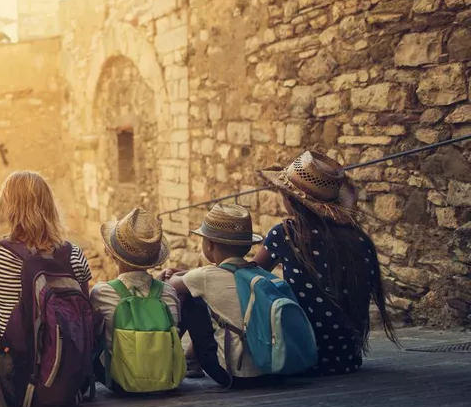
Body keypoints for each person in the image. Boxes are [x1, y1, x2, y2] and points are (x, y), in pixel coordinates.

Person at [252, 150, 398, 375]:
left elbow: (251, 274)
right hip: (346, 358)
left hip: (303, 355)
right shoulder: (357, 238)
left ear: (292, 199)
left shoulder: (286, 234)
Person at [0, 171, 92, 392]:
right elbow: (84, 312)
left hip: (13, 382)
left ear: (6, 206)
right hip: (69, 376)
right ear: (49, 205)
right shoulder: (75, 254)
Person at [163, 203, 274, 388]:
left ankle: (172, 361)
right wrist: (188, 274)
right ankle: (190, 359)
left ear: (210, 245)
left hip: (232, 375)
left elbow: (171, 285)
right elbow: (214, 276)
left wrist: (174, 274)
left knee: (191, 299)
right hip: (270, 371)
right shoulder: (259, 272)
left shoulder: (205, 276)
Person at [90, 208, 183, 393]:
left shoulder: (101, 292)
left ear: (112, 254)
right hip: (167, 380)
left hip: (120, 383)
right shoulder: (169, 292)